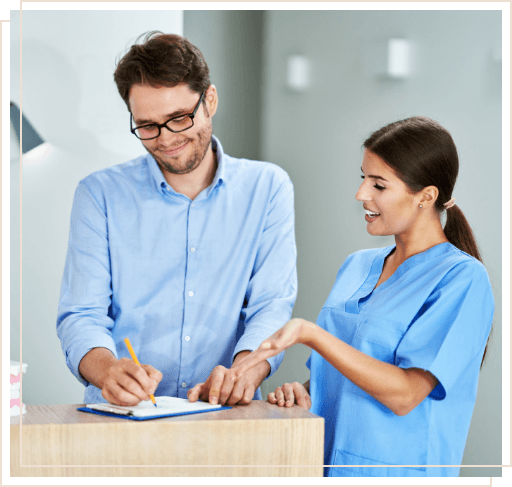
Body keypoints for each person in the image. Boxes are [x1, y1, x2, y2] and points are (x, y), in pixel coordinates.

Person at [233, 116, 494, 477]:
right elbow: (344, 374)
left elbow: (405, 395)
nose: (361, 194)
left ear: (426, 196)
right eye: (363, 178)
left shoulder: (462, 280)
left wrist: (312, 334)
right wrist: (305, 392)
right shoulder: (357, 266)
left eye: (379, 185)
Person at [56, 32, 297, 408]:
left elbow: (271, 305)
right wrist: (107, 371)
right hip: (124, 417)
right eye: (147, 125)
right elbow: (81, 314)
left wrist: (244, 373)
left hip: (226, 414)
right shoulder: (99, 194)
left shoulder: (267, 188)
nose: (165, 139)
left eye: (179, 119)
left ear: (210, 101)